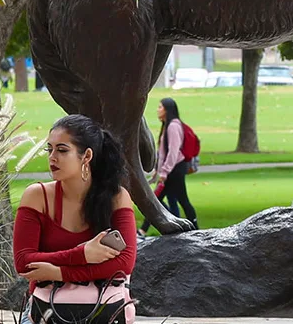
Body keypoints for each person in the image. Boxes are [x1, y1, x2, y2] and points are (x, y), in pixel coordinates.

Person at [13, 114, 138, 324]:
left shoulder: (117, 198)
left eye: (62, 150)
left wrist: (59, 273)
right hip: (44, 312)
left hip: (104, 310)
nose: (52, 157)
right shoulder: (37, 196)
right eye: (49, 149)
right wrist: (82, 254)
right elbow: (24, 262)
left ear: (86, 156)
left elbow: (124, 264)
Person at [136, 97, 198, 236]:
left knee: (178, 199)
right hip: (171, 169)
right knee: (159, 199)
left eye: (160, 107)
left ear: (167, 110)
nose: (158, 110)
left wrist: (164, 172)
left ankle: (195, 227)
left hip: (175, 169)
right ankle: (144, 230)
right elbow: (163, 152)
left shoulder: (173, 126)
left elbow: (173, 152)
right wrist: (157, 171)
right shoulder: (168, 125)